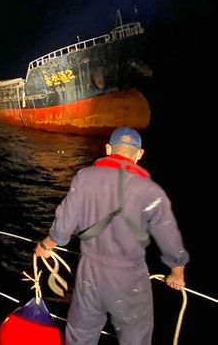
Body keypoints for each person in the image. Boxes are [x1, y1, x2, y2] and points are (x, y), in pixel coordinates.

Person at [35, 127, 189, 345]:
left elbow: (63, 225)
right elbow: (170, 240)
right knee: (135, 338)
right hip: (130, 279)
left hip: (89, 274)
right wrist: (177, 274)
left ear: (108, 149)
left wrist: (46, 245)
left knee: (80, 335)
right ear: (139, 154)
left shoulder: (84, 177)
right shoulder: (151, 191)